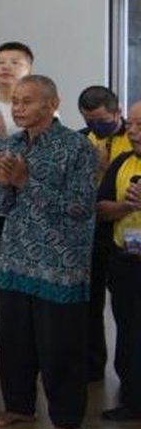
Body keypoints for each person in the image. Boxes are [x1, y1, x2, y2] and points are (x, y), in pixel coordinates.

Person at [0, 75, 96, 429]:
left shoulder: (76, 147)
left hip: (60, 263)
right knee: (14, 340)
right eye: (15, 101)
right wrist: (0, 181)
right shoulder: (12, 144)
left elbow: (81, 207)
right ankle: (19, 406)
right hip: (16, 258)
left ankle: (66, 418)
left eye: (27, 101)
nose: (18, 108)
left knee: (60, 345)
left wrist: (25, 182)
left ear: (52, 104)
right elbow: (1, 206)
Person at [78, 85, 129, 383]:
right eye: (89, 121)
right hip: (92, 229)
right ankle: (92, 366)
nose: (96, 126)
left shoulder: (133, 138)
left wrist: (106, 167)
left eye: (102, 121)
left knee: (126, 307)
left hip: (126, 228)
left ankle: (129, 372)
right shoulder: (81, 139)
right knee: (91, 302)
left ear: (117, 112)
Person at [95, 100, 141, 421]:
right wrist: (128, 207)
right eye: (132, 124)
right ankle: (132, 398)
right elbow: (100, 209)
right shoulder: (123, 161)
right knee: (129, 331)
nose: (133, 132)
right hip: (125, 262)